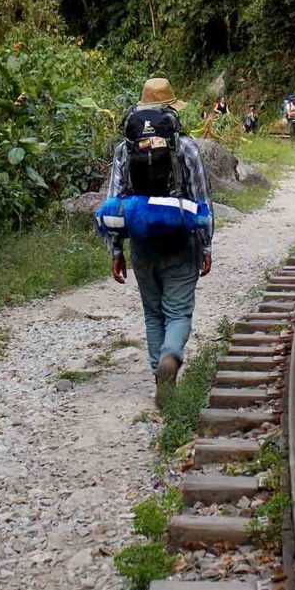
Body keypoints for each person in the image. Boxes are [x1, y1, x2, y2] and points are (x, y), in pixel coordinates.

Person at [102, 78, 214, 406]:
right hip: (180, 239)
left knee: (153, 313)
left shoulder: (125, 147)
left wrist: (115, 250)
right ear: (171, 110)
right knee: (178, 312)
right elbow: (202, 199)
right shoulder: (187, 146)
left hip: (142, 241)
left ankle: (157, 374)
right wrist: (206, 246)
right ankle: (171, 357)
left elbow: (115, 198)